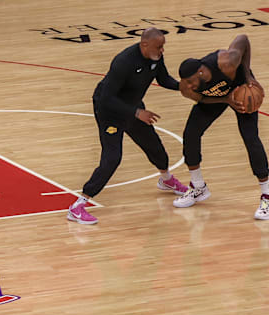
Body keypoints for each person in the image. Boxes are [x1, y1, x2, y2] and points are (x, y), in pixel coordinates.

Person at [67, 27, 187, 225]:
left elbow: (163, 78)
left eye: (163, 46)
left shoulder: (155, 57)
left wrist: (181, 86)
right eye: (159, 46)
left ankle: (166, 180)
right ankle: (79, 205)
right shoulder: (124, 61)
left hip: (132, 108)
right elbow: (106, 98)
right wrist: (137, 113)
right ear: (144, 44)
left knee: (154, 146)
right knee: (112, 158)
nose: (162, 50)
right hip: (109, 111)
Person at [173, 34, 268, 220]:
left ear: (201, 72)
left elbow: (243, 39)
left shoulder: (226, 62)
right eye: (187, 82)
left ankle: (267, 194)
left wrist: (247, 74)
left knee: (250, 137)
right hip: (218, 97)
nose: (190, 86)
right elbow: (200, 98)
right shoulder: (186, 87)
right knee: (190, 134)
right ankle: (198, 187)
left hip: (242, 90)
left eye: (191, 81)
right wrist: (226, 100)